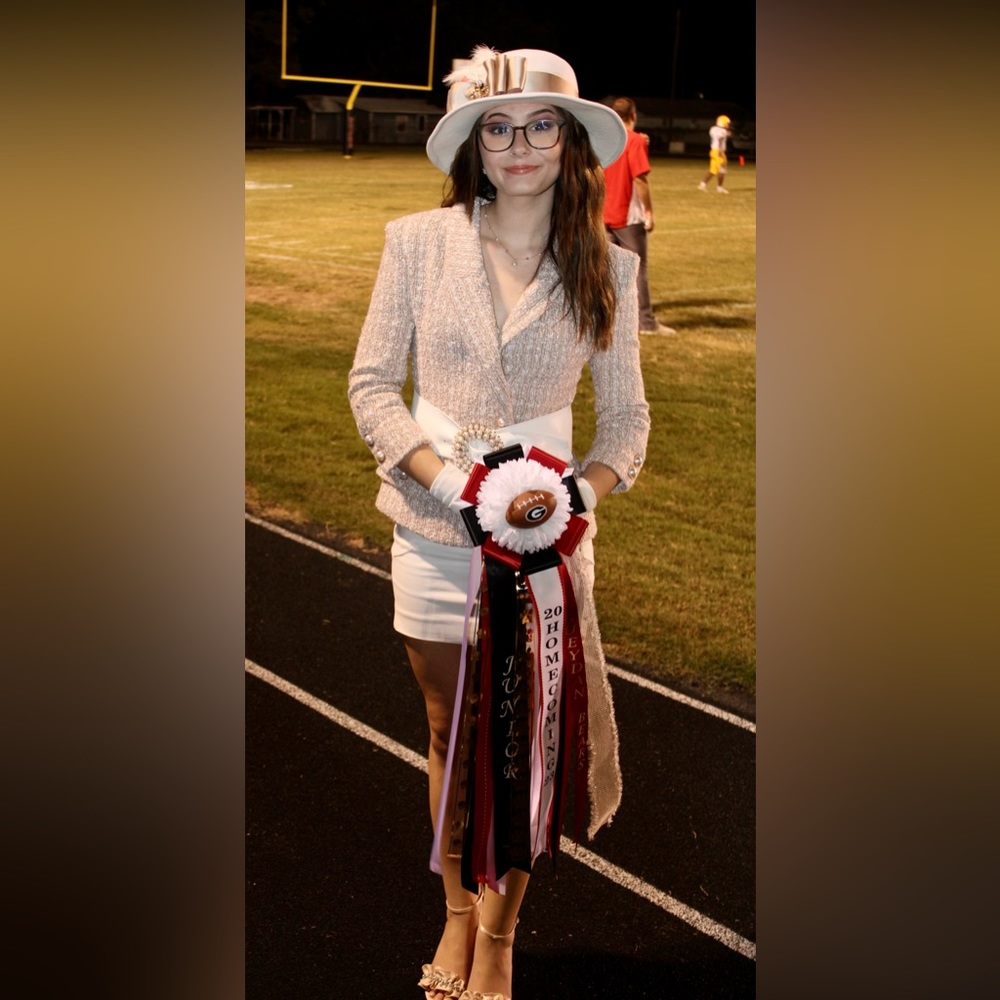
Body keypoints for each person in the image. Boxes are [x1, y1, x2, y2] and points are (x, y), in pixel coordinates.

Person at [348, 45, 650, 1000]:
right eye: (498, 127)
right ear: (474, 144)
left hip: (546, 555)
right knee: (449, 731)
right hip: (433, 535)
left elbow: (628, 423)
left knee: (523, 746)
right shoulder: (416, 242)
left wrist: (570, 502)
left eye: (541, 125)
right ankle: (453, 908)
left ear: (571, 141)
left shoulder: (608, 267)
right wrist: (455, 485)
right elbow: (371, 386)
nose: (520, 145)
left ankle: (500, 934)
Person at [603, 97, 677, 336]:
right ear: (633, 116)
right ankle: (645, 321)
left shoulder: (605, 140)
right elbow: (640, 179)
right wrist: (649, 212)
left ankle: (609, 319)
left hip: (602, 213)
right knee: (637, 269)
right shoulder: (634, 140)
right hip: (628, 216)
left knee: (609, 269)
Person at [699, 114, 732, 193]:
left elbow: (718, 136)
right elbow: (720, 139)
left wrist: (726, 133)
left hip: (713, 150)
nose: (727, 125)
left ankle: (702, 185)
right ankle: (719, 188)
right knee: (721, 170)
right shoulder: (723, 131)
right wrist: (720, 151)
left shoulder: (713, 129)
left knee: (713, 170)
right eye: (726, 123)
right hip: (718, 151)